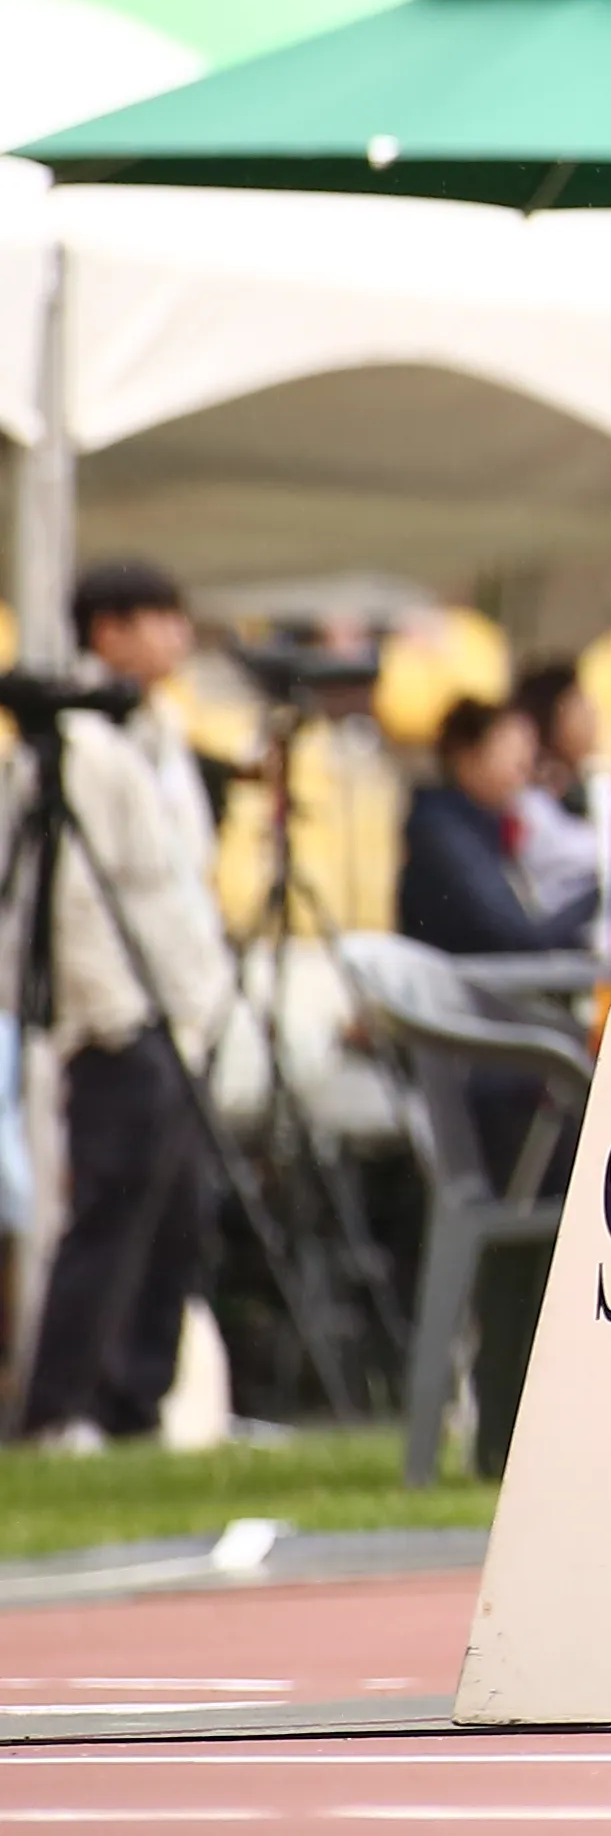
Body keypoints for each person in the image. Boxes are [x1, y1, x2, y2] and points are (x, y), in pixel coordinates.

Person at [17, 561, 231, 1448]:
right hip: (123, 1021)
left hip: (179, 1008)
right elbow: (72, 899)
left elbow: (180, 881)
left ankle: (134, 1403)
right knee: (111, 1208)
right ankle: (62, 1408)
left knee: (179, 1215)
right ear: (107, 630)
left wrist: (197, 1005)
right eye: (156, 618)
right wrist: (114, 1017)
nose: (175, 636)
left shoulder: (157, 731)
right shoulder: (76, 743)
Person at [400, 695, 571, 961]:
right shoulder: (441, 830)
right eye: (510, 755)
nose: (523, 772)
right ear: (466, 757)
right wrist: (598, 896)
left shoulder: (496, 823)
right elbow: (516, 935)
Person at [504, 659, 610, 955]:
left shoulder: (591, 786)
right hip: (550, 951)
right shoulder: (525, 801)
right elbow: (583, 857)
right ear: (551, 715)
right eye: (578, 705)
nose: (592, 715)